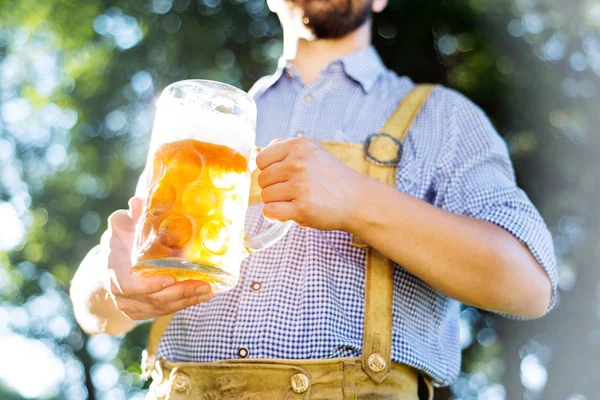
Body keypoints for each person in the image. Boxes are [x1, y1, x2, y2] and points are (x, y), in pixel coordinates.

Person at [70, 0, 557, 398]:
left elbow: (529, 284)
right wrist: (111, 287)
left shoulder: (443, 116)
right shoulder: (202, 124)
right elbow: (92, 305)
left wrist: (357, 201)